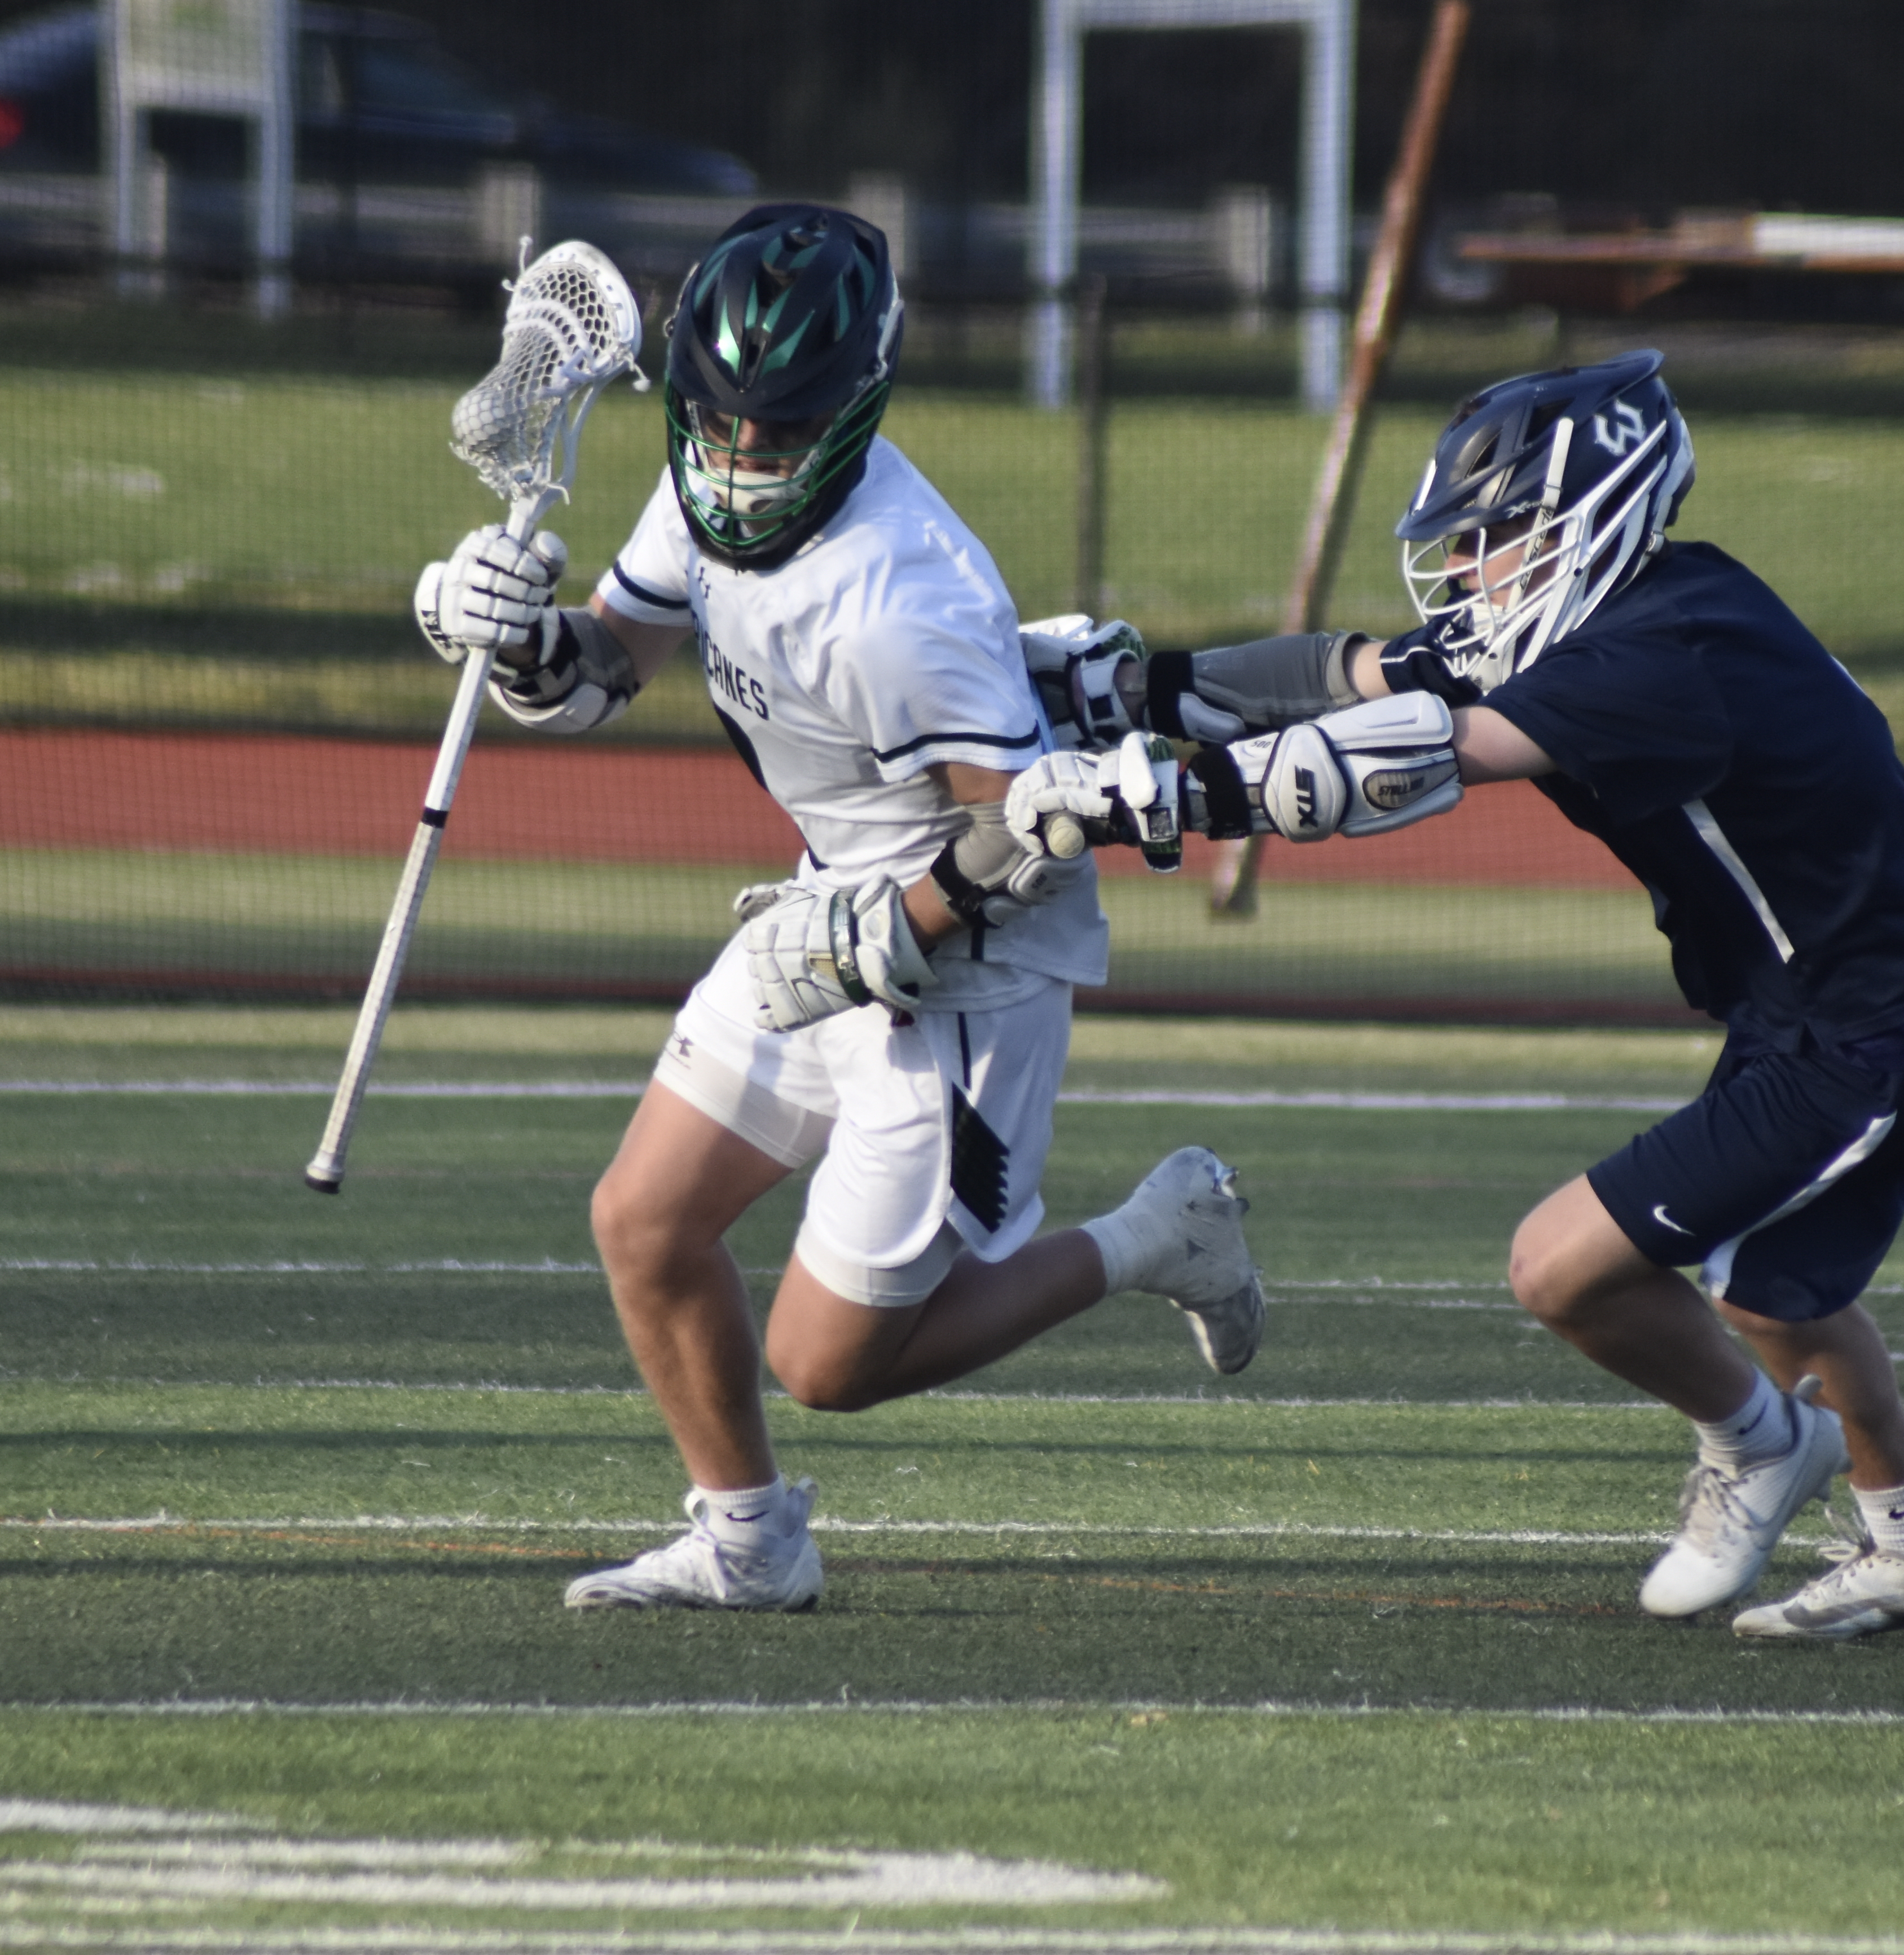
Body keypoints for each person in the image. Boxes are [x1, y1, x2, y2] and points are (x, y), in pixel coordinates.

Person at [1010, 349, 1904, 1640]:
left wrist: (1177, 793)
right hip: (1831, 997)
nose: (1470, 568)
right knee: (1781, 1288)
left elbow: (1423, 753)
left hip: (1879, 1019)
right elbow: (1354, 672)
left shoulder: (1662, 655)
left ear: (1597, 511)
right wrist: (1138, 685)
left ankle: (1763, 1447)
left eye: (1496, 534)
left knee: (1573, 1270)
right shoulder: (1633, 610)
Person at [411, 203, 1265, 1613]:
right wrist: (514, 639)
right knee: (642, 1219)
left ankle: (1160, 1232)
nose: (741, 462)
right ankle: (751, 1540)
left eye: (779, 430)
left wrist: (886, 937)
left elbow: (1031, 832)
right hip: (829, 909)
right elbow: (609, 664)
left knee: (829, 1363)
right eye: (720, 423)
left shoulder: (905, 593)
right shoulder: (697, 483)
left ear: (857, 408)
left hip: (967, 966)